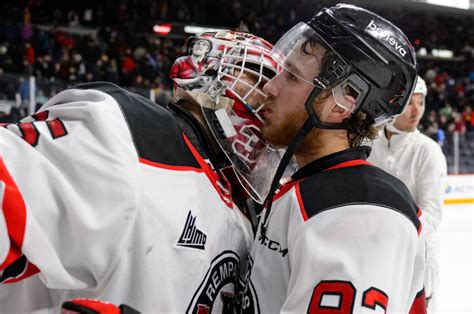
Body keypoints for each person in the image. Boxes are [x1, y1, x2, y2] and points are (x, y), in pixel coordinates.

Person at [0, 31, 282, 312]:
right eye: (260, 79)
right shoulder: (125, 135)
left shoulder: (250, 217)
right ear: (210, 74)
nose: (271, 96)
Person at [240, 4, 427, 313]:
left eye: (291, 77)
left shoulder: (361, 211)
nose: (270, 87)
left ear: (341, 104)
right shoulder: (314, 187)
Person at [368, 76, 447, 311]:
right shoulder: (368, 144)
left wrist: (394, 234)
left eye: (421, 102)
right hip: (373, 253)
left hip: (417, 259)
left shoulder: (428, 152)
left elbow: (432, 214)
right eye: (409, 103)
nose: (417, 111)